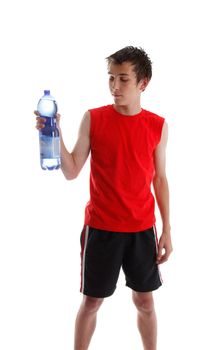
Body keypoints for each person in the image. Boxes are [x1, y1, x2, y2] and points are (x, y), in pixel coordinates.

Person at [35, 46, 173, 350]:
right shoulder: (94, 118)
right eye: (111, 78)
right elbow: (71, 171)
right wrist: (53, 134)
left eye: (123, 79)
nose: (115, 86)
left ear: (143, 83)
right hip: (102, 228)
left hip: (141, 230)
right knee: (92, 303)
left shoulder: (157, 125)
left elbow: (159, 179)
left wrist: (167, 229)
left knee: (146, 302)